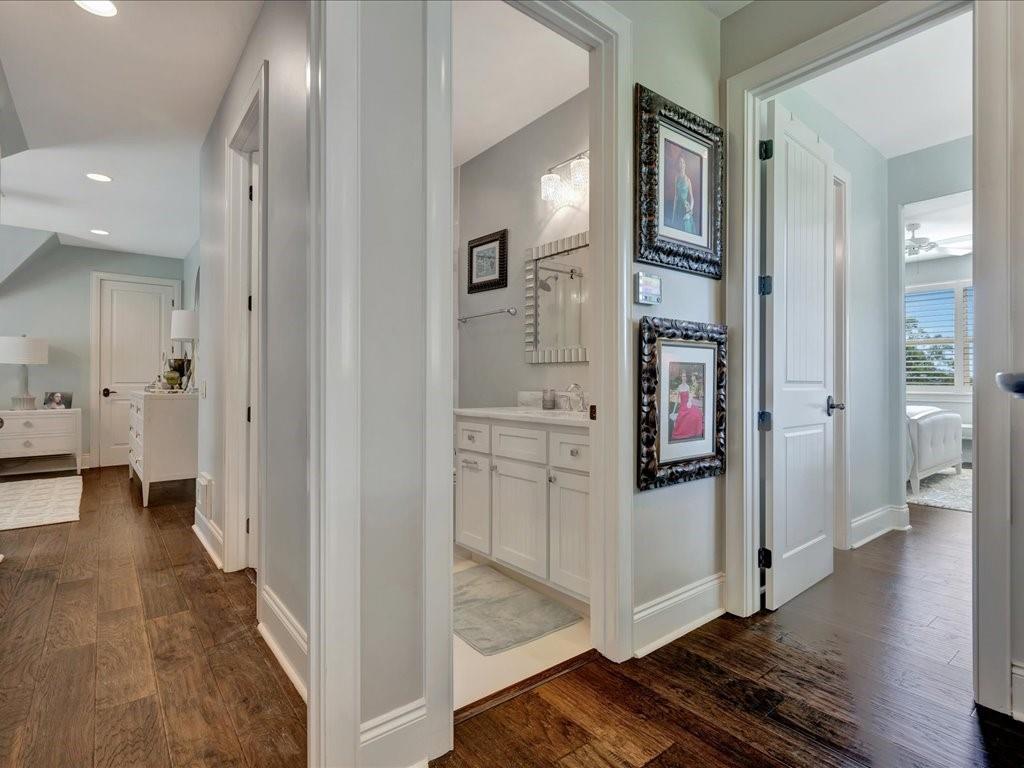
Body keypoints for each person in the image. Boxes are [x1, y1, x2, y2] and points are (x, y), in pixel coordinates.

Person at [670, 153, 697, 235]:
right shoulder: (676, 178)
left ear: (685, 164)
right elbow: (675, 196)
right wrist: (673, 214)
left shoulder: (688, 180)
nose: (681, 164)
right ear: (678, 165)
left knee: (685, 230)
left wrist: (690, 211)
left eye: (682, 162)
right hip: (678, 207)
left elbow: (692, 198)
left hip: (685, 208)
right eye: (679, 162)